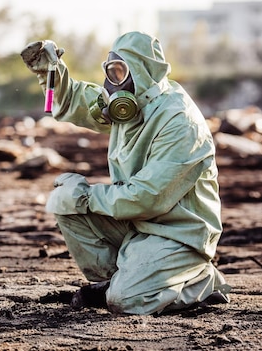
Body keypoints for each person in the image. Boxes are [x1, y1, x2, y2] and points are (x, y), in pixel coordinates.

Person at [20, 31, 231, 315]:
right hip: (139, 223)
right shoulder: (133, 103)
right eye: (109, 72)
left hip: (178, 232)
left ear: (142, 72)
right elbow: (78, 100)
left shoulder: (180, 123)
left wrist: (86, 197)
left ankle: (199, 280)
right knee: (63, 199)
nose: (110, 84)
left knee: (126, 301)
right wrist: (52, 73)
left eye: (119, 72)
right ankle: (118, 279)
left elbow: (147, 197)